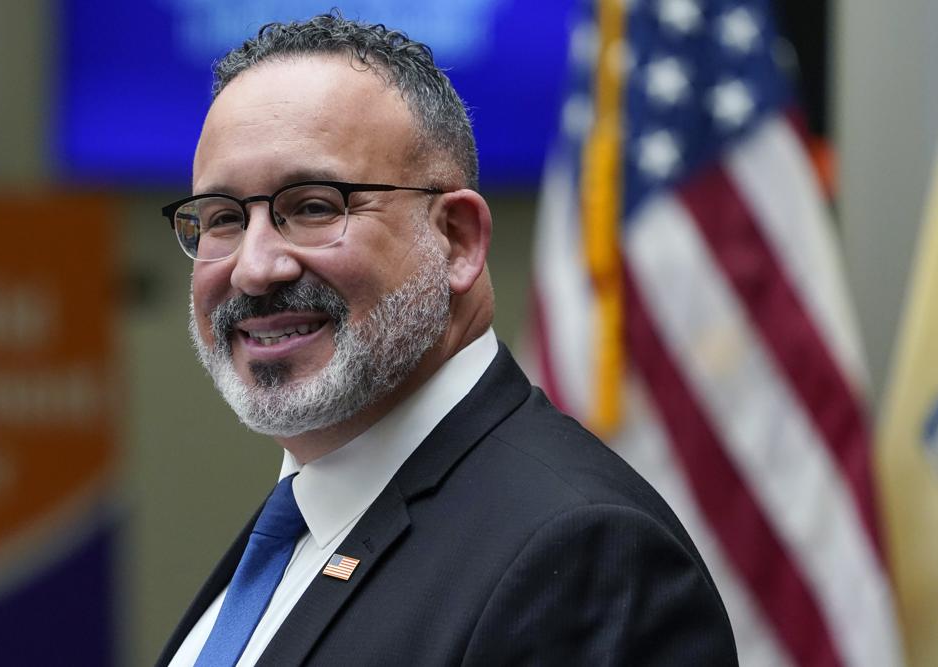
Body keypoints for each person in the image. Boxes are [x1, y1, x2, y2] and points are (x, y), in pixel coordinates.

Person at [157, 12, 737, 666]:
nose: (255, 267)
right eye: (223, 219)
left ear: (457, 239)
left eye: (315, 206)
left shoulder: (581, 554)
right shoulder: (298, 525)